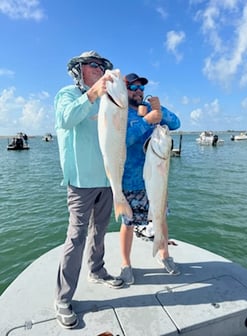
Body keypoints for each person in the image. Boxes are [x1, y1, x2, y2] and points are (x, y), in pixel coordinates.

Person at [54, 50, 124, 329]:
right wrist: (92, 94)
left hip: (107, 180)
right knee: (76, 236)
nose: (98, 68)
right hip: (81, 182)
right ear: (79, 70)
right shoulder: (67, 94)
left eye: (101, 65)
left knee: (100, 230)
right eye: (92, 65)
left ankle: (97, 270)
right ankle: (62, 298)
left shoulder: (108, 98)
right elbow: (65, 120)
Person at [119, 73, 181, 285]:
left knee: (161, 217)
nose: (138, 91)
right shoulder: (120, 112)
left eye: (141, 88)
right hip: (131, 180)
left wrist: (159, 110)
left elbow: (175, 123)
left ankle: (164, 255)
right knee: (128, 223)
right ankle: (126, 264)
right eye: (133, 87)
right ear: (124, 89)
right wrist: (146, 121)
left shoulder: (151, 108)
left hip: (156, 179)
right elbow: (123, 140)